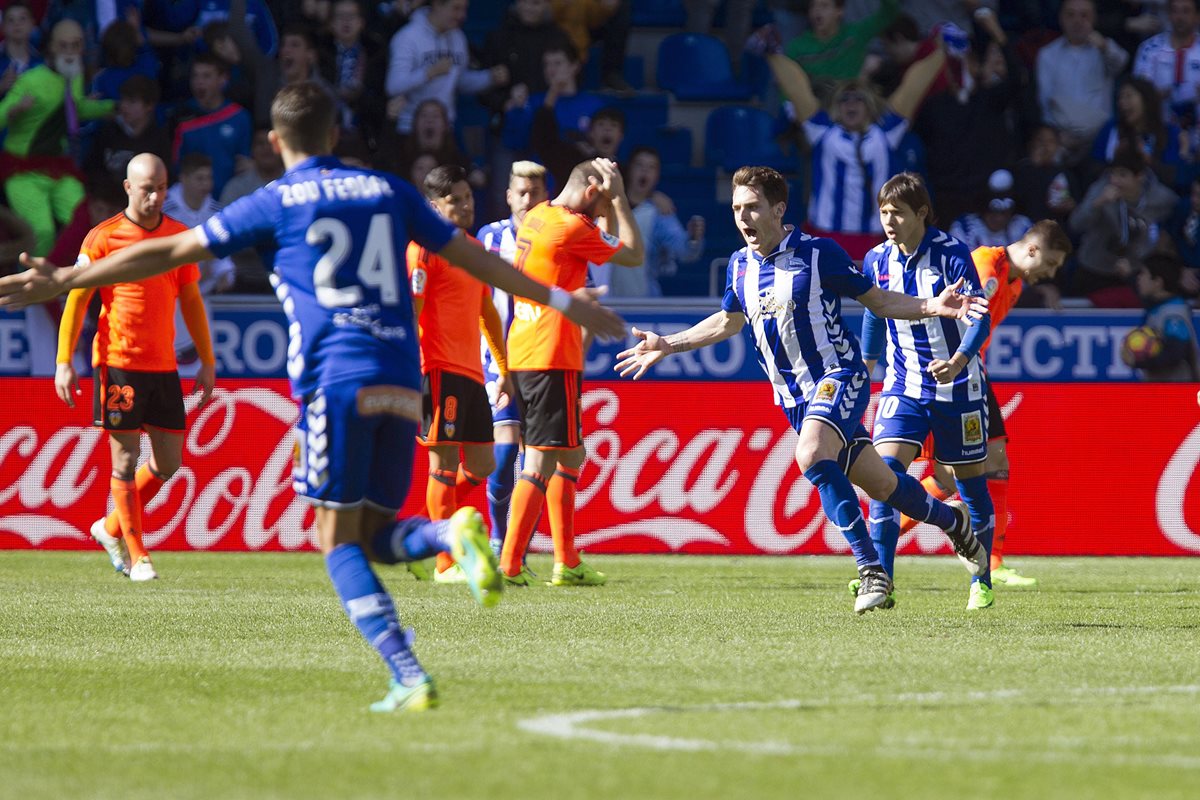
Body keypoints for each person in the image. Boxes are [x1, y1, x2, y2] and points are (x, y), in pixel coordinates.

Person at [0, 82, 625, 712]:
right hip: (403, 381)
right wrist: (565, 302)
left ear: (274, 143)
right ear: (333, 134)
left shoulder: (276, 200)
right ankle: (446, 540)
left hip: (337, 381)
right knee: (376, 535)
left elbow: (170, 250)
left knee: (336, 541)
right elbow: (479, 262)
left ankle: (412, 660)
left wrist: (71, 276)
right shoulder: (388, 190)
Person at [615, 166, 989, 614]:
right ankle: (954, 522)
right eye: (736, 209)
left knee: (811, 454)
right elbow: (727, 322)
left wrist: (932, 305)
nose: (743, 218)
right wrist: (668, 344)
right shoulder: (739, 266)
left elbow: (879, 300)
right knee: (885, 484)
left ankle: (872, 571)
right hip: (794, 399)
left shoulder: (818, 254)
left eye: (752, 207)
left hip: (839, 376)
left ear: (778, 209)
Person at [54, 153, 216, 582]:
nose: (155, 196)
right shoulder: (102, 238)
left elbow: (192, 302)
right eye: (147, 188)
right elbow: (77, 297)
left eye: (162, 188)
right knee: (124, 460)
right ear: (128, 188)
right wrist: (64, 361)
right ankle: (138, 555)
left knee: (168, 463)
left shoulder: (179, 237)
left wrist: (207, 359)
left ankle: (109, 529)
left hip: (163, 367)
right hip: (117, 362)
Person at [891, 222, 1074, 588]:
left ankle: (992, 560)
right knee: (951, 475)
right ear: (1033, 251)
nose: (1051, 273)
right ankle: (877, 544)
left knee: (982, 466)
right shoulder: (986, 267)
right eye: (1051, 263)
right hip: (950, 376)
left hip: (971, 374)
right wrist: (956, 365)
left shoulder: (1015, 282)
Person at [499, 157, 644, 588]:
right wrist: (620, 199)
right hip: (551, 355)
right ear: (593, 189)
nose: (604, 214)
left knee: (570, 454)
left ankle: (567, 560)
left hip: (525, 350)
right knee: (541, 462)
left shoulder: (536, 216)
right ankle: (509, 563)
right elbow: (634, 254)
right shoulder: (571, 226)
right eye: (603, 202)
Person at [859, 172, 997, 611]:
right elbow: (874, 315)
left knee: (971, 485)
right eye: (883, 212)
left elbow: (979, 317)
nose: (888, 221)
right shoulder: (876, 259)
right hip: (903, 385)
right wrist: (865, 367)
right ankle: (881, 581)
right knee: (882, 476)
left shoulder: (952, 254)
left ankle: (982, 579)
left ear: (921, 213)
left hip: (958, 386)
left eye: (897, 212)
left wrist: (957, 361)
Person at [407, 165, 511, 584]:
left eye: (469, 197)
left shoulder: (473, 249)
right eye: (456, 200)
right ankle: (444, 563)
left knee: (484, 465)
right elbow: (411, 310)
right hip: (437, 368)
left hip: (471, 372)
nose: (467, 205)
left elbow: (487, 311)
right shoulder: (424, 249)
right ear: (434, 206)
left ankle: (421, 535)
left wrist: (504, 369)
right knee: (444, 464)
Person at [764, 25, 951, 258]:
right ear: (836, 107)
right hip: (825, 236)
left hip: (876, 238)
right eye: (844, 99)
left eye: (858, 99)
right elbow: (797, 88)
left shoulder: (886, 132)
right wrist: (773, 54)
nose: (851, 104)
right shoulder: (822, 130)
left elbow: (913, 86)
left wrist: (942, 52)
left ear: (869, 106)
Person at [475, 160, 548, 557]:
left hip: (542, 358)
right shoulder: (489, 238)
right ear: (507, 196)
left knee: (537, 456)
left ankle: (518, 547)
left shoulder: (554, 235)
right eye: (520, 192)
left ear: (545, 196)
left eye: (534, 192)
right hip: (496, 358)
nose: (526, 199)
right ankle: (498, 537)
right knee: (505, 449)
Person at [0, 19, 114, 256]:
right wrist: (14, 110)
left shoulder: (74, 74)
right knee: (42, 231)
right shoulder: (31, 80)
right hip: (23, 171)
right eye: (63, 46)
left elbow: (77, 108)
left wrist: (112, 107)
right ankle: (35, 289)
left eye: (75, 46)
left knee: (85, 220)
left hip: (58, 167)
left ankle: (76, 283)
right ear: (51, 47)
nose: (70, 52)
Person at [1069, 144, 1177, 305]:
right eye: (1113, 174)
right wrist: (1097, 204)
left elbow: (1174, 220)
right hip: (1094, 268)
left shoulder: (1161, 199)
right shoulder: (1100, 190)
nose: (1115, 181)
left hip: (1136, 271)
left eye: (1122, 175)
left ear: (1139, 176)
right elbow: (1076, 224)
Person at [384, 0, 509, 135]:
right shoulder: (408, 37)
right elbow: (393, 86)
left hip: (446, 127)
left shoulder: (458, 37)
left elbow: (459, 81)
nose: (462, 16)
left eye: (464, 9)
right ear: (437, 5)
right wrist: (429, 73)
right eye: (456, 9)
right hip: (411, 127)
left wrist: (489, 78)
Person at [606, 145, 705, 298]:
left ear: (657, 176)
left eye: (651, 167)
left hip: (643, 304)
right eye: (639, 165)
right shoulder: (604, 205)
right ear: (629, 170)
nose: (644, 171)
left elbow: (684, 250)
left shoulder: (660, 213)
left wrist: (693, 238)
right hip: (604, 302)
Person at [1036, 0, 1129, 159]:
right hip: (1062, 141)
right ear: (1061, 18)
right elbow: (1045, 100)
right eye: (1070, 15)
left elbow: (1121, 63)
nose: (1077, 21)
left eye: (1084, 15)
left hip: (1100, 138)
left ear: (1094, 18)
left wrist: (1104, 47)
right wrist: (1057, 137)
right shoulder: (1047, 55)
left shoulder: (1104, 49)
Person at [169, 52, 252, 198]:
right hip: (193, 204)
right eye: (195, 76)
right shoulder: (180, 117)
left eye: (206, 76)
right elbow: (176, 166)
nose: (199, 82)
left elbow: (244, 165)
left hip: (230, 201)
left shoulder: (239, 117)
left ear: (223, 79)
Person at [85, 75, 172, 196]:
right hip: (107, 201)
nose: (124, 106)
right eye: (123, 100)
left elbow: (164, 179)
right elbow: (92, 170)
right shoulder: (107, 131)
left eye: (132, 102)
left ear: (149, 106)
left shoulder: (159, 139)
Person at [1127, 253, 1200, 380]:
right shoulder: (1159, 306)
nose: (1139, 278)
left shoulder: (1174, 313)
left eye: (1143, 274)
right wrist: (1128, 276)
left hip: (1177, 391)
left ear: (1157, 283)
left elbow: (1175, 353)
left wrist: (1138, 361)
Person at [1133, 0, 1200, 129]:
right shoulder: (1149, 49)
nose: (1179, 17)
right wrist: (1155, 95)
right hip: (1159, 130)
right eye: (1175, 11)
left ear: (1197, 16)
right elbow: (1139, 92)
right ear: (1168, 15)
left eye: (1186, 11)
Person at [948, 169, 1034, 252]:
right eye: (994, 213)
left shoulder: (1024, 228)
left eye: (1005, 213)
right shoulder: (964, 229)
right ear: (983, 210)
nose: (999, 219)